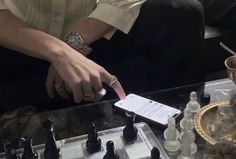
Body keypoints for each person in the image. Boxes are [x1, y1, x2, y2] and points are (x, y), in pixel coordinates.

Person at [0, 0, 205, 108]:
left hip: (89, 32)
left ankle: (177, 120)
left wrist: (75, 42)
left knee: (183, 13)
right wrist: (60, 53)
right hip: (18, 39)